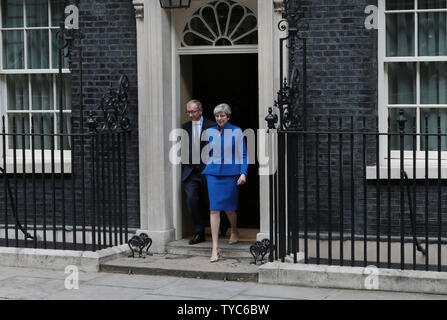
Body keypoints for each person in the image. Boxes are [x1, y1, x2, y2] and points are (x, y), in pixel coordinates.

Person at [202, 103, 248, 262]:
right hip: (213, 174)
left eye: (222, 115)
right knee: (214, 209)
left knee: (229, 209)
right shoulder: (210, 132)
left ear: (228, 116)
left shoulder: (236, 131)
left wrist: (243, 172)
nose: (219, 118)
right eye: (217, 116)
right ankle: (215, 248)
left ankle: (234, 230)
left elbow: (243, 154)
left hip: (231, 174)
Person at [182, 99, 216, 245]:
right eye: (188, 112)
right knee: (191, 200)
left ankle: (223, 225)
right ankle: (199, 232)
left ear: (200, 111)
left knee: (211, 201)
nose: (190, 115)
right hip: (191, 172)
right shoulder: (185, 127)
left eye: (193, 112)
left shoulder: (212, 126)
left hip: (208, 170)